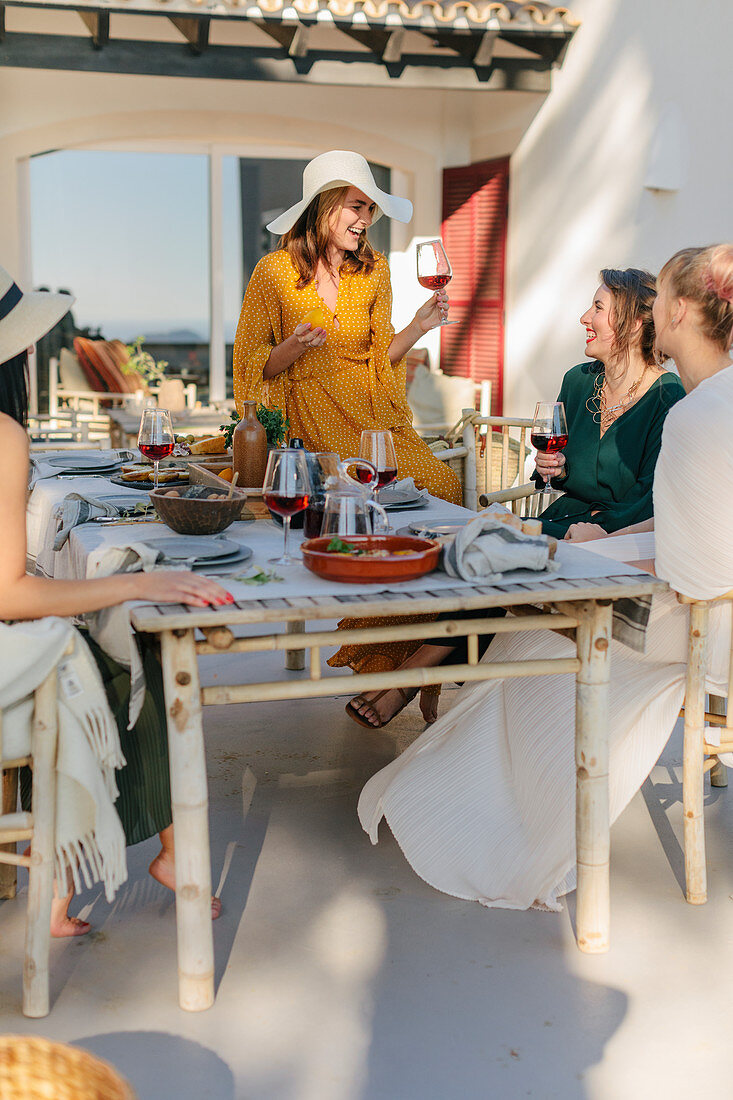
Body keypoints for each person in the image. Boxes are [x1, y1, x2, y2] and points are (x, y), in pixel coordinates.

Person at [357, 242, 733, 914]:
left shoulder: (686, 410)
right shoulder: (704, 402)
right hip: (675, 592)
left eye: (598, 306)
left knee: (520, 628)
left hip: (684, 623)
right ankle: (465, 751)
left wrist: (590, 548)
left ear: (669, 312)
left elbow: (675, 554)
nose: (584, 317)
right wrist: (573, 530)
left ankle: (503, 810)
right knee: (509, 569)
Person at [347, 268, 685, 728]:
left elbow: (652, 499)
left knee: (485, 542)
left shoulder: (667, 396)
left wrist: (591, 530)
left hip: (611, 538)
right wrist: (553, 470)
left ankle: (412, 674)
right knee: (475, 545)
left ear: (633, 323)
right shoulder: (579, 380)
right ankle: (419, 675)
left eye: (599, 308)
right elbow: (559, 475)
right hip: (561, 522)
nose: (585, 317)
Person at [0, 267, 232, 935]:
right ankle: (162, 855)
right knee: (130, 651)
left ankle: (67, 883)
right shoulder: (4, 436)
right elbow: (10, 593)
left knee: (86, 636)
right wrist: (133, 584)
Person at [233, 150, 461, 506]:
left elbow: (380, 357)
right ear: (324, 206)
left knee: (441, 484)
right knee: (348, 495)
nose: (366, 219)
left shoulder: (375, 271)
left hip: (368, 417)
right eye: (357, 206)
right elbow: (251, 363)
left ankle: (404, 556)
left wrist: (420, 325)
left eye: (371, 209)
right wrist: (296, 345)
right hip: (308, 417)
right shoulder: (273, 271)